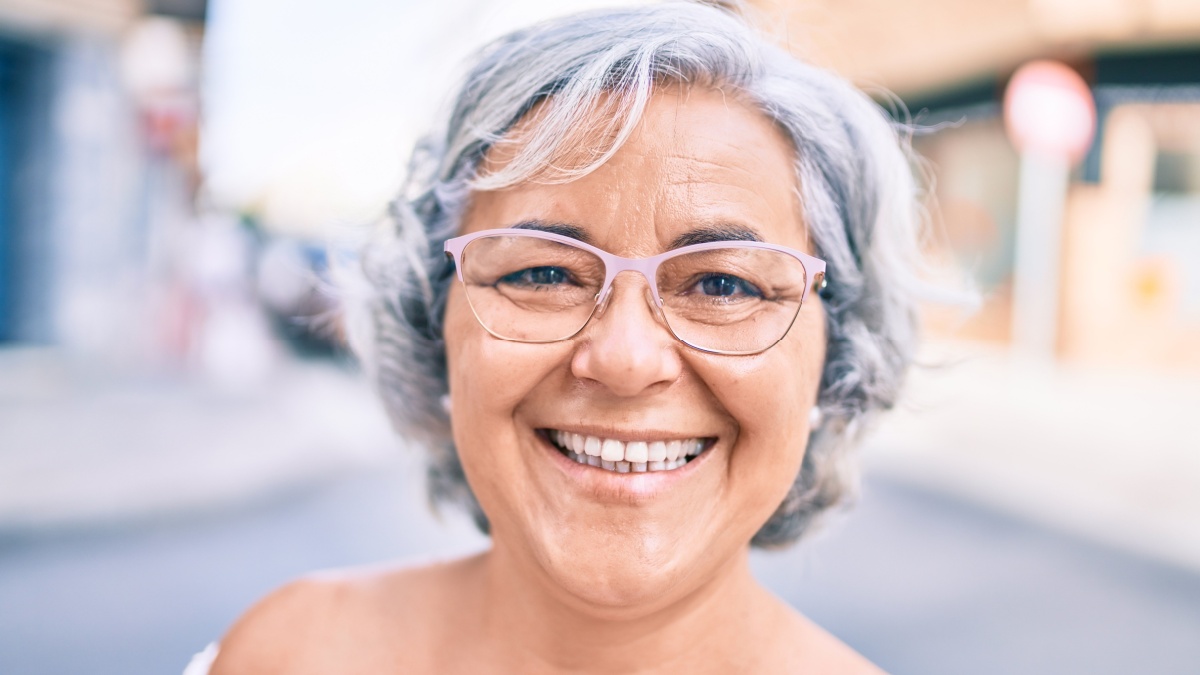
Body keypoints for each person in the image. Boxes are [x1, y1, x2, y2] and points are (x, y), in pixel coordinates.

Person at [204, 2, 927, 672]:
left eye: (723, 284)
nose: (624, 358)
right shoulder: (288, 653)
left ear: (836, 357)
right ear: (434, 327)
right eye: (544, 272)